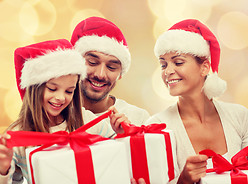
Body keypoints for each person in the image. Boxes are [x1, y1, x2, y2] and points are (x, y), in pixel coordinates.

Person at [0, 39, 126, 184]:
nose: (60, 98)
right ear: (35, 89)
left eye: (69, 91)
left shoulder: (87, 120)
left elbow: (116, 156)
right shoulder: (18, 136)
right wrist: (3, 170)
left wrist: (122, 135)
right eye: (52, 89)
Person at [145, 19, 248, 184]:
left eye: (178, 62)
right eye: (163, 65)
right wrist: (183, 181)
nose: (168, 71)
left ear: (205, 67)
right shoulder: (157, 127)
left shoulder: (240, 117)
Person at [70, 16, 150, 132]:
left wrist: (128, 139)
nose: (101, 74)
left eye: (111, 67)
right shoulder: (54, 114)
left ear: (121, 74)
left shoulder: (138, 118)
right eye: (92, 62)